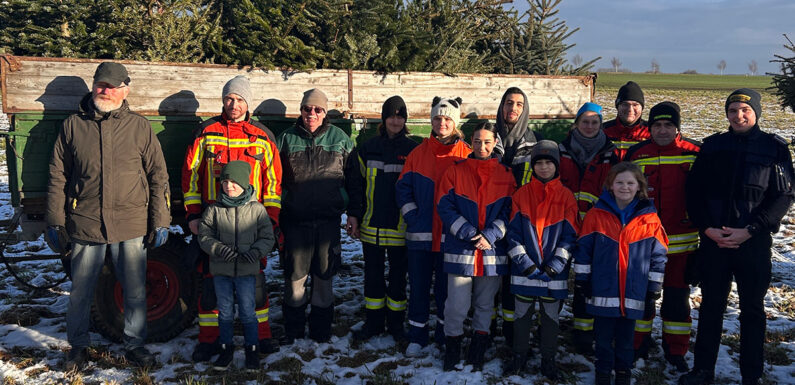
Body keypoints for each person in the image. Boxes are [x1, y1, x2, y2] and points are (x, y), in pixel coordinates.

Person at [45, 62, 170, 371]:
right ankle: (78, 345)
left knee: (135, 289)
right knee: (81, 290)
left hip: (131, 223)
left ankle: (135, 345)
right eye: (100, 84)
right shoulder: (73, 126)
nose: (105, 90)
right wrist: (55, 220)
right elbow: (57, 176)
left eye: (111, 86)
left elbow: (158, 176)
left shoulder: (139, 127)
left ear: (124, 90)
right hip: (86, 221)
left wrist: (161, 220)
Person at [680, 89, 794, 385]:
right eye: (733, 110)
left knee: (753, 311)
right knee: (711, 307)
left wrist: (752, 230)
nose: (739, 115)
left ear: (756, 113)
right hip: (714, 242)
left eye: (745, 110)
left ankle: (751, 375)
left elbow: (783, 196)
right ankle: (703, 369)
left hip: (752, 243)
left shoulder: (775, 149)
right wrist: (707, 228)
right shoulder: (713, 146)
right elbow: (694, 192)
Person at [182, 75, 281, 361]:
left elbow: (273, 182)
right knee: (213, 285)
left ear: (248, 102)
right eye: (229, 98)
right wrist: (193, 214)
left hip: (252, 224)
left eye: (239, 99)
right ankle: (210, 340)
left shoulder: (262, 137)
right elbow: (190, 175)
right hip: (215, 224)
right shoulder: (206, 132)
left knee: (256, 285)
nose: (233, 104)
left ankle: (261, 337)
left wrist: (270, 220)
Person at [276, 88, 362, 343]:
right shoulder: (285, 139)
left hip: (327, 222)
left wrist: (351, 211)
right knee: (295, 278)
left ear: (325, 113)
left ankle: (321, 332)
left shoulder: (341, 139)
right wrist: (282, 208)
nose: (311, 114)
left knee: (324, 277)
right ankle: (292, 331)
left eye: (317, 110)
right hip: (295, 223)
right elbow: (274, 180)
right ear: (300, 110)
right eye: (306, 109)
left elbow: (354, 180)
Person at [573, 162, 668, 385]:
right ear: (610, 185)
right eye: (619, 182)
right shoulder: (596, 215)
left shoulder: (650, 219)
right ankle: (603, 372)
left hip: (634, 291)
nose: (624, 187)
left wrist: (653, 290)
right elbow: (584, 250)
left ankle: (624, 373)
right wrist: (582, 280)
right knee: (603, 338)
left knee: (627, 339)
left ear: (639, 186)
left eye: (630, 183)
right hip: (603, 289)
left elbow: (659, 256)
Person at [625, 102, 701, 372]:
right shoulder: (636, 154)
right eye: (657, 125)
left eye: (669, 125)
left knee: (677, 299)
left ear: (677, 127)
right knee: (642, 297)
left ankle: (676, 349)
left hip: (684, 245)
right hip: (644, 244)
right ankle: (637, 344)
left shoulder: (695, 153)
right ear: (649, 127)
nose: (662, 130)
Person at [436, 122, 516, 371]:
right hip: (462, 249)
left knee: (485, 304)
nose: (482, 146)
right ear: (471, 142)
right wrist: (470, 233)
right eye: (478, 141)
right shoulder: (455, 170)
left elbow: (510, 210)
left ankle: (477, 352)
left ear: (495, 143)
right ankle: (452, 350)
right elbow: (444, 206)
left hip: (492, 251)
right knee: (456, 305)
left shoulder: (506, 174)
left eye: (487, 141)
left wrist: (491, 235)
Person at [395, 97, 471, 357]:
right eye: (438, 118)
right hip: (421, 235)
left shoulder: (467, 154)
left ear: (455, 123)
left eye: (448, 119)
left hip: (452, 237)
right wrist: (413, 216)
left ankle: (442, 334)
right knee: (418, 287)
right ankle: (417, 336)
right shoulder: (418, 153)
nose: (442, 123)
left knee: (446, 291)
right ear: (431, 120)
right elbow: (403, 189)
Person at [503, 140, 579, 380]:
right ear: (532, 166)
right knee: (522, 316)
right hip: (525, 271)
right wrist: (525, 263)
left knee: (550, 318)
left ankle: (548, 359)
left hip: (553, 274)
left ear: (557, 166)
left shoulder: (567, 196)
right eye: (539, 163)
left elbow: (570, 235)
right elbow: (513, 234)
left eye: (549, 163)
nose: (544, 168)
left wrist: (556, 264)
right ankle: (519, 356)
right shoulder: (521, 194)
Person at [351, 96, 418, 341]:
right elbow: (356, 186)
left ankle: (396, 325)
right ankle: (374, 323)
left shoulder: (413, 150)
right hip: (371, 226)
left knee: (399, 278)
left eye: (400, 116)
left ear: (405, 120)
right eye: (391, 115)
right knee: (373, 276)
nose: (395, 120)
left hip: (401, 228)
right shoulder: (367, 148)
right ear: (383, 118)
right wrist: (355, 215)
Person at [197, 161, 275, 372]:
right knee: (224, 312)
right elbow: (204, 236)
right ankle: (226, 348)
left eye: (234, 182)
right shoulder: (214, 209)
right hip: (221, 271)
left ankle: (252, 349)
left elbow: (268, 237)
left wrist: (256, 252)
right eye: (225, 181)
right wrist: (218, 248)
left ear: (244, 183)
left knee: (249, 312)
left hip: (247, 271)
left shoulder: (256, 209)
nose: (229, 186)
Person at [558, 102, 619, 354]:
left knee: (588, 279)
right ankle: (550, 321)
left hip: (596, 229)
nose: (590, 126)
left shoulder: (610, 153)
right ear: (576, 124)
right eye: (585, 121)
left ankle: (584, 331)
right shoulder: (561, 151)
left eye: (595, 122)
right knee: (558, 275)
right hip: (563, 226)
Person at [491, 87, 543, 344]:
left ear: (525, 109)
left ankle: (512, 334)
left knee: (513, 278)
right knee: (489, 280)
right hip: (488, 220)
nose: (513, 108)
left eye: (519, 104)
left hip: (518, 225)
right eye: (509, 103)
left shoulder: (535, 144)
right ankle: (486, 329)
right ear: (501, 106)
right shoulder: (487, 138)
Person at [603, 81, 650, 159]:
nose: (630, 109)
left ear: (642, 108)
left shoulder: (651, 133)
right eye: (625, 104)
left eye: (635, 105)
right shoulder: (603, 131)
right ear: (617, 106)